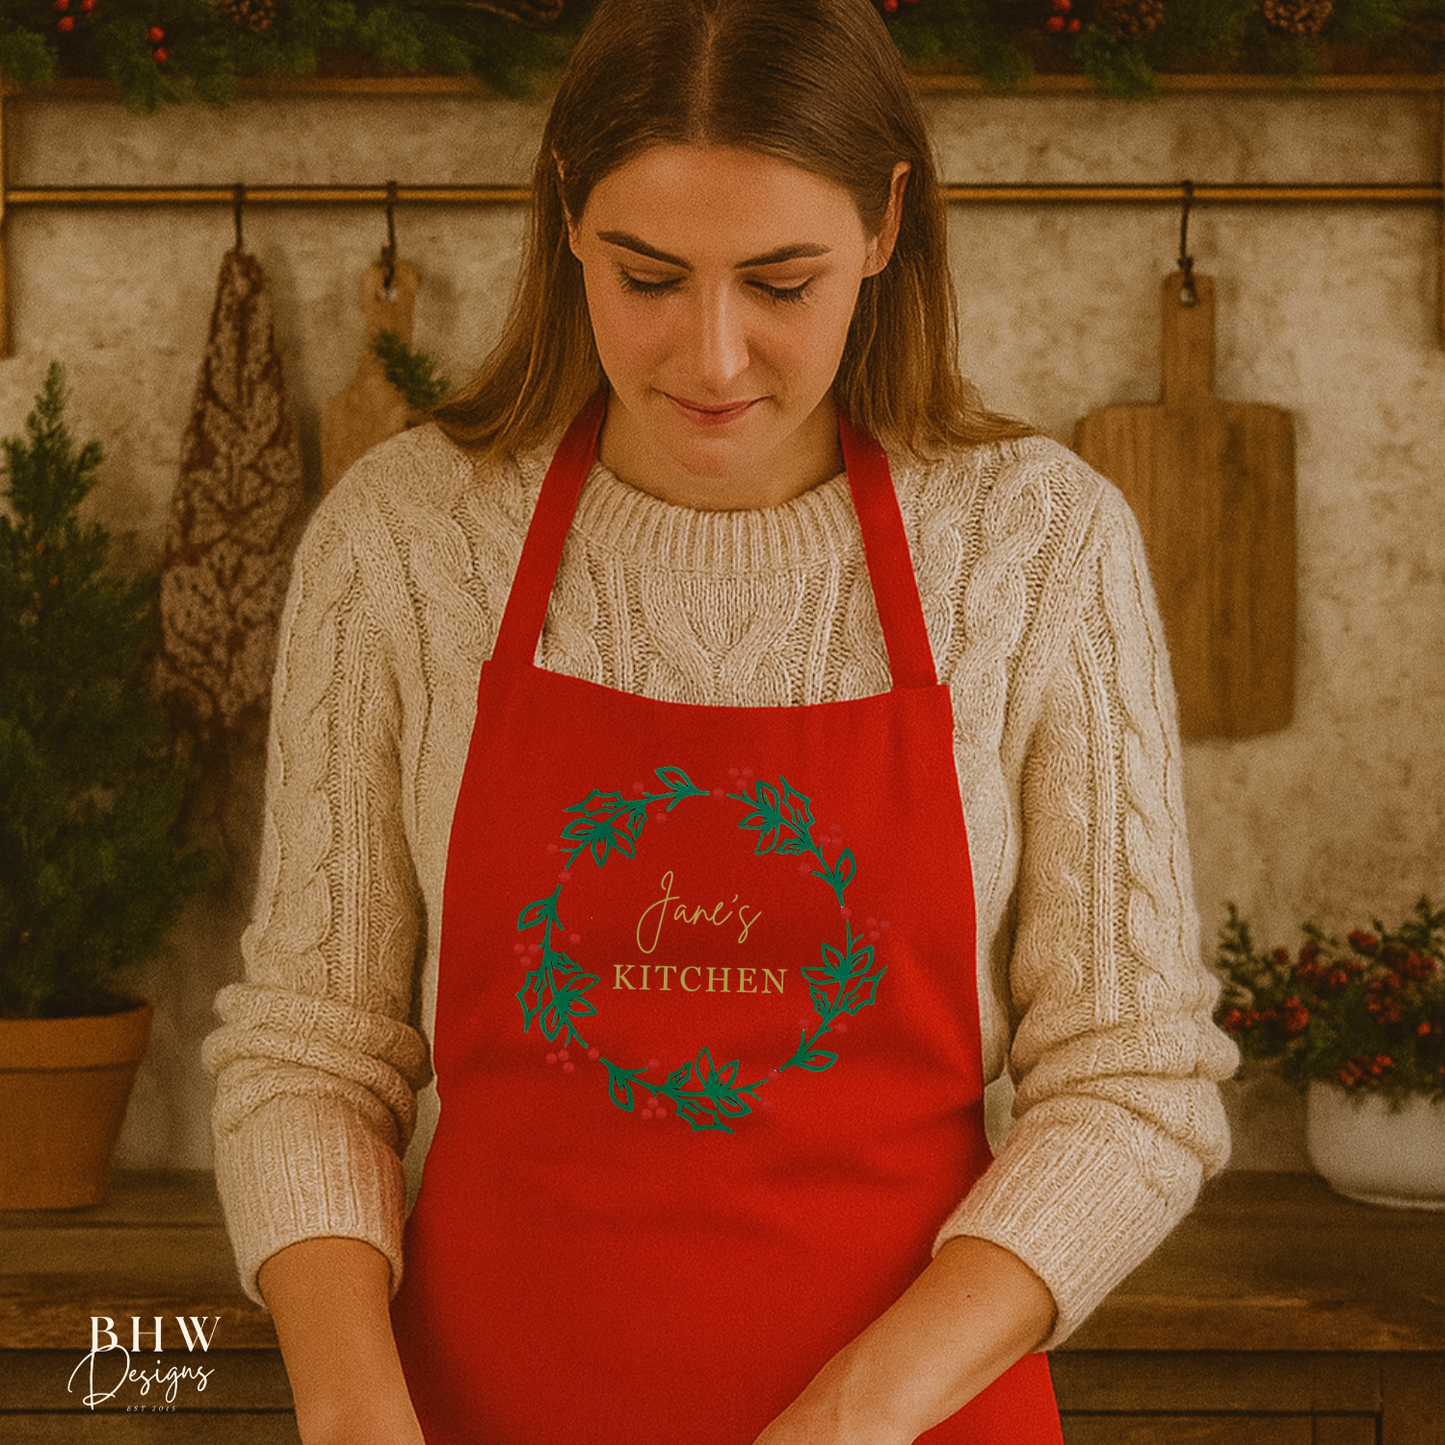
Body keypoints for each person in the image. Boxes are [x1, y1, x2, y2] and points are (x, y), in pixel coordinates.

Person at [204, 2, 1238, 1442]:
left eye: (780, 282)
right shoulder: (407, 539)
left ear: (886, 224)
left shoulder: (1036, 546)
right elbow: (313, 1052)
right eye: (647, 277)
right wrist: (352, 1410)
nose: (712, 355)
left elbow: (1135, 1081)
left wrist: (847, 1419)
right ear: (568, 213)